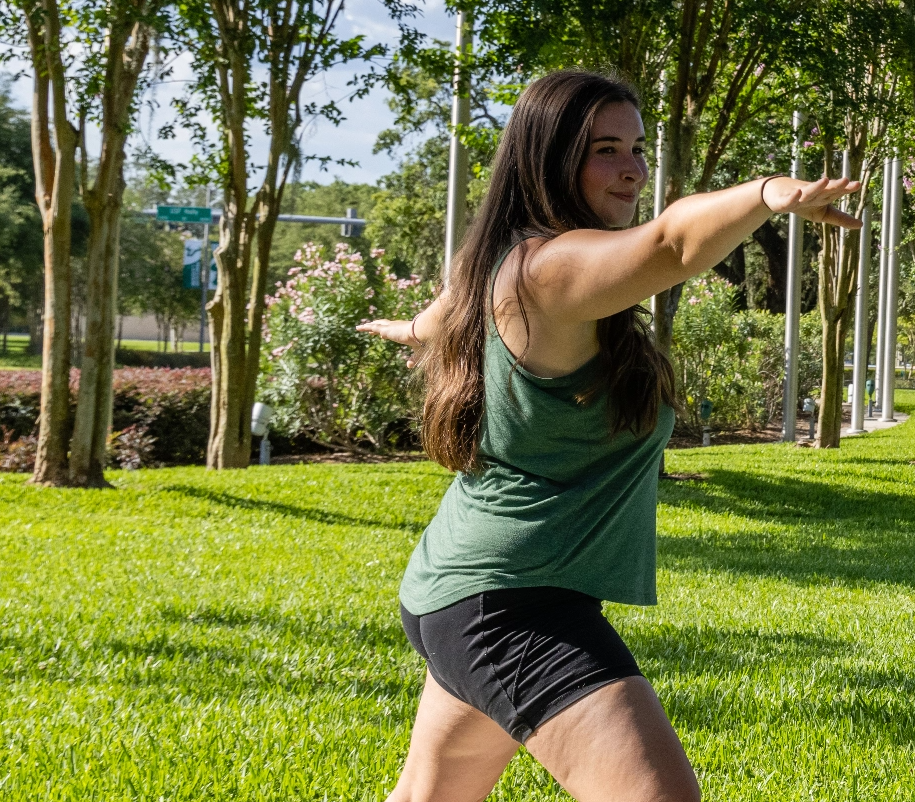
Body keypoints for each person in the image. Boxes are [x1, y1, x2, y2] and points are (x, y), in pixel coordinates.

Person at [353, 70, 861, 802]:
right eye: (605, 150)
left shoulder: (511, 261)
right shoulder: (548, 271)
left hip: (467, 590)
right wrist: (763, 194)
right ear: (550, 160)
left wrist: (408, 329)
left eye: (637, 148)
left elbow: (443, 314)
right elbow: (672, 244)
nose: (632, 168)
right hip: (511, 604)